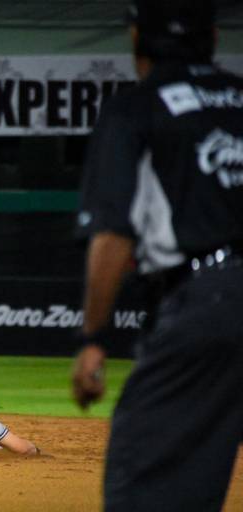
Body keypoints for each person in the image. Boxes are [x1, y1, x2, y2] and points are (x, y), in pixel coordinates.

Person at [72, 1, 243, 510]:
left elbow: (112, 236)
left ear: (135, 39)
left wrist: (93, 339)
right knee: (203, 473)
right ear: (213, 37)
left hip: (206, 302)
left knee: (141, 479)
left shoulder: (136, 108)